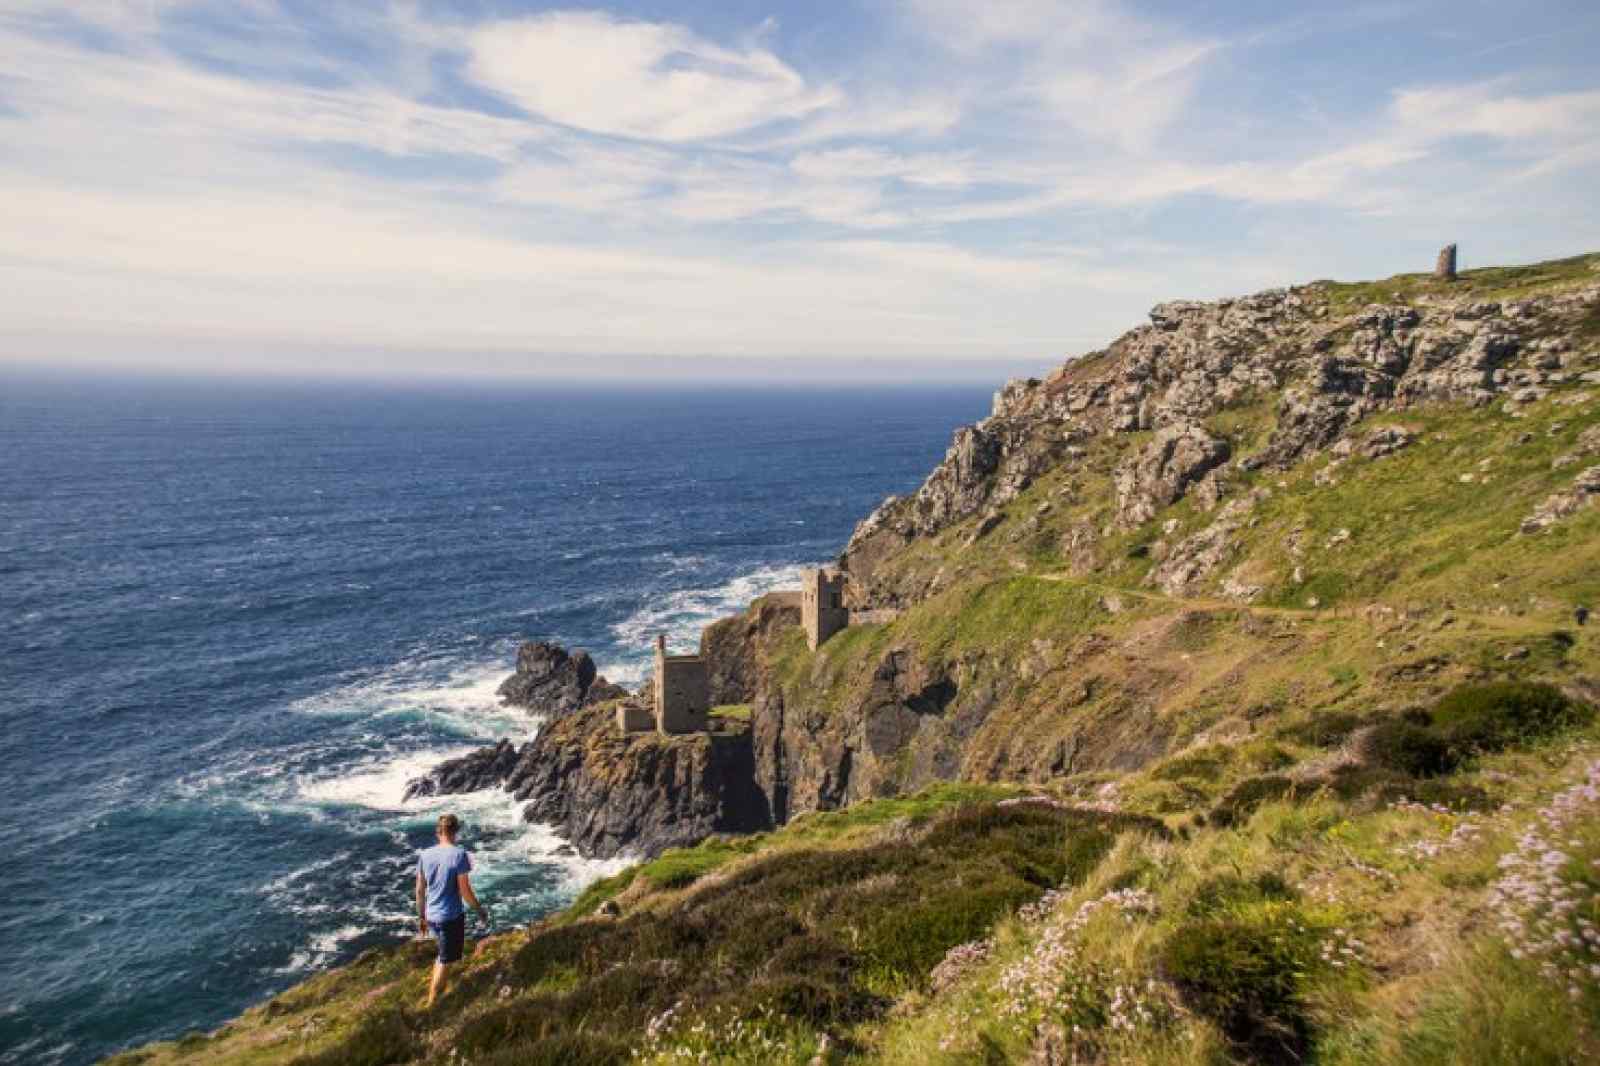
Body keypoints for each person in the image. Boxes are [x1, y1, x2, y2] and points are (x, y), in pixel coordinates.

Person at [415, 813, 488, 1008]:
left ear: (438, 832)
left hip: (431, 916)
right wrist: (479, 909)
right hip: (450, 917)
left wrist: (422, 917)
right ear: (455, 832)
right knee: (446, 959)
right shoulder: (459, 855)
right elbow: (464, 890)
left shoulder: (425, 855)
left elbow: (420, 890)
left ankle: (438, 989)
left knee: (443, 955)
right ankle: (432, 1003)